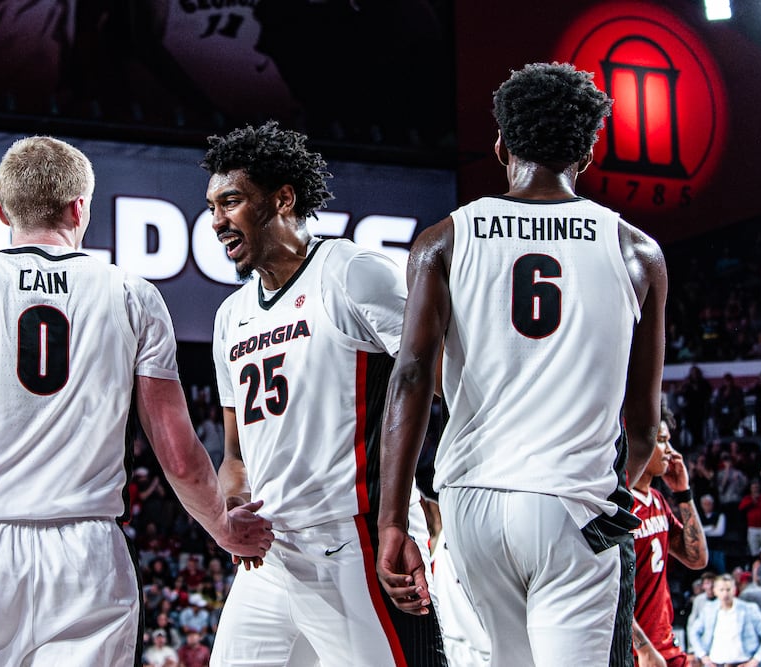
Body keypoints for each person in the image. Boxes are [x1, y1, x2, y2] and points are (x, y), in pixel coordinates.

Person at [0, 136, 274, 665]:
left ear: (0, 208)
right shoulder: (134, 294)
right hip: (88, 553)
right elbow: (176, 450)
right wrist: (222, 527)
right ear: (79, 206)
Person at [376, 62, 667, 667]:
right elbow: (642, 429)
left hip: (469, 501)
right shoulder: (637, 251)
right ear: (587, 152)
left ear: (502, 143)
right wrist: (609, 509)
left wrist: (392, 521)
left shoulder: (443, 240)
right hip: (570, 501)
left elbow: (408, 379)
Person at [203, 121, 446, 666]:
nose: (217, 221)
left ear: (283, 198)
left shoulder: (352, 273)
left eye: (232, 201)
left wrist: (413, 512)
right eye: (212, 206)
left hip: (352, 539)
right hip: (270, 555)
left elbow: (439, 379)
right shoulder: (229, 317)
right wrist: (233, 507)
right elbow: (236, 458)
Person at [630, 403, 708, 667]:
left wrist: (684, 494)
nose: (671, 453)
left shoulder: (658, 501)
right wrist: (643, 648)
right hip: (635, 650)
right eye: (662, 441)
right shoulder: (618, 506)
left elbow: (697, 559)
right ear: (639, 443)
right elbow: (608, 588)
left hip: (665, 644)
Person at [688, 574, 761, 667]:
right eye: (721, 590)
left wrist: (757, 659)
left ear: (734, 590)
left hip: (743, 662)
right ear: (715, 591)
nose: (725, 594)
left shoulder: (748, 609)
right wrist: (702, 655)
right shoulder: (708, 610)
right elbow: (693, 632)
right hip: (716, 663)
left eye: (728, 589)